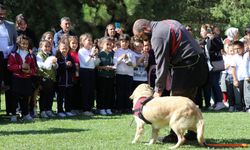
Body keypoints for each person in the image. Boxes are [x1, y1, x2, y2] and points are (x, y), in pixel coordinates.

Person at [133, 19, 208, 142]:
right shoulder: (168, 22)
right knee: (189, 100)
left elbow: (161, 65)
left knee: (178, 102)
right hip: (198, 62)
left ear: (145, 29)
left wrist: (158, 91)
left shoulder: (157, 36)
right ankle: (193, 133)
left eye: (141, 36)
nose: (142, 40)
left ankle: (175, 136)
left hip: (188, 64)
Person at [8, 35, 37, 122]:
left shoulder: (30, 56)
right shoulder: (13, 54)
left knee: (26, 97)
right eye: (23, 43)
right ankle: (13, 115)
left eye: (26, 44)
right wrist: (20, 67)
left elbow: (34, 68)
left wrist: (29, 71)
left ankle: (25, 114)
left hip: (27, 79)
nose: (25, 45)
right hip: (17, 78)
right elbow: (9, 67)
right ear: (18, 44)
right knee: (15, 97)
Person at [0, 4, 18, 115]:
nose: (2, 16)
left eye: (3, 14)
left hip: (9, 59)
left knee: (10, 84)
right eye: (0, 14)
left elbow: (16, 42)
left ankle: (11, 111)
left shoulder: (11, 25)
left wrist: (12, 51)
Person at [113, 34, 136, 113]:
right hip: (119, 74)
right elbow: (115, 62)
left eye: (126, 42)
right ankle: (119, 108)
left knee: (128, 92)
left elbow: (133, 65)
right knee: (119, 92)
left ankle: (127, 108)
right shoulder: (117, 52)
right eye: (122, 41)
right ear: (120, 42)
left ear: (129, 43)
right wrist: (121, 57)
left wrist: (127, 60)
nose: (124, 43)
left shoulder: (131, 53)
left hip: (129, 75)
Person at [78, 33, 100, 116]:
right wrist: (91, 54)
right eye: (88, 40)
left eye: (91, 40)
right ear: (83, 42)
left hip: (92, 71)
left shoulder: (90, 51)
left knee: (91, 90)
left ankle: (90, 108)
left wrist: (96, 56)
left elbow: (95, 63)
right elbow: (86, 62)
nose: (91, 42)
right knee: (86, 90)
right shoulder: (81, 51)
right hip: (85, 71)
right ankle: (85, 109)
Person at [36, 40, 58, 118]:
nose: (47, 48)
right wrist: (49, 61)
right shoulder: (39, 55)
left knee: (50, 95)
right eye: (45, 46)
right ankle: (42, 111)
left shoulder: (51, 55)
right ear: (41, 47)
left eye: (49, 46)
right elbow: (41, 65)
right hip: (43, 77)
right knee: (43, 95)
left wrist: (55, 63)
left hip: (51, 78)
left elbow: (55, 67)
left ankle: (48, 110)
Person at [56, 37, 76, 117]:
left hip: (69, 82)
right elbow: (57, 70)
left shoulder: (70, 57)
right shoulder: (58, 58)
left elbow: (74, 69)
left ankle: (68, 110)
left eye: (66, 48)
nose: (65, 50)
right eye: (63, 48)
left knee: (68, 97)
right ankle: (60, 111)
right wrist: (65, 65)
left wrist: (71, 66)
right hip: (61, 82)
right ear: (59, 49)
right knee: (60, 97)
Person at [96, 37, 116, 115]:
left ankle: (108, 107)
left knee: (109, 92)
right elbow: (96, 66)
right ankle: (101, 108)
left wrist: (113, 67)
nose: (109, 46)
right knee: (102, 93)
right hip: (102, 76)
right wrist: (104, 67)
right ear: (101, 45)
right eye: (107, 44)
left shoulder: (112, 53)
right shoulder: (100, 54)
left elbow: (114, 63)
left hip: (110, 76)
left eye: (110, 44)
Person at [68, 35, 81, 114]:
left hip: (78, 76)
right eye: (72, 43)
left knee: (77, 92)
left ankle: (76, 108)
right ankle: (71, 108)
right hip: (70, 76)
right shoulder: (69, 53)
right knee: (71, 93)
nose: (74, 45)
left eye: (76, 43)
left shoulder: (78, 53)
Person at [231, 41, 246, 111]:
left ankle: (246, 107)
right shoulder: (234, 57)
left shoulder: (246, 56)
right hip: (239, 79)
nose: (236, 51)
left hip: (246, 78)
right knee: (239, 95)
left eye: (238, 48)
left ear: (243, 48)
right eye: (235, 49)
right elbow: (233, 70)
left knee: (246, 95)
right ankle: (240, 107)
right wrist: (235, 80)